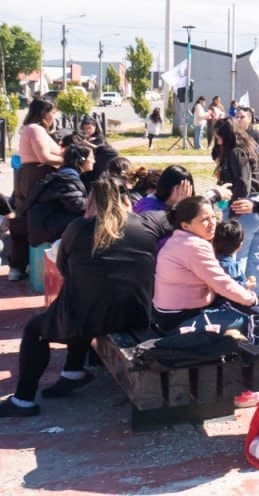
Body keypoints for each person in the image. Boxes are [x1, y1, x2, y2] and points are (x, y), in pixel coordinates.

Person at [0, 180, 167, 417]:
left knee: (37, 328)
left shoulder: (77, 228)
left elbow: (63, 267)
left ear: (90, 202)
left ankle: (23, 400)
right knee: (87, 301)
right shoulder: (147, 224)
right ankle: (72, 373)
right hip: (136, 315)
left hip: (91, 317)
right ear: (127, 201)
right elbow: (172, 215)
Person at [153, 196, 259, 355]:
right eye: (204, 220)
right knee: (255, 314)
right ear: (186, 225)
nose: (212, 223)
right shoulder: (195, 245)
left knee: (239, 304)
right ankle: (255, 364)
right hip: (180, 322)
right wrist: (256, 300)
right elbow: (222, 284)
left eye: (213, 217)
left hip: (167, 317)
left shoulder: (178, 239)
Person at [212, 118, 259, 318]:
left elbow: (242, 182)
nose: (216, 139)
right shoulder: (249, 149)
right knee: (255, 260)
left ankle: (242, 306)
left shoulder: (236, 152)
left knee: (238, 257)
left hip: (244, 205)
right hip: (257, 207)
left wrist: (235, 208)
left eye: (217, 135)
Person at [9, 98, 64, 282]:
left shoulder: (33, 129)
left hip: (30, 177)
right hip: (36, 179)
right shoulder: (35, 129)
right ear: (44, 113)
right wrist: (67, 160)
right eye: (53, 112)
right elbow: (44, 156)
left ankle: (19, 265)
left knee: (24, 218)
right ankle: (19, 265)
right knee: (29, 218)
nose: (54, 116)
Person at [26, 140, 93, 247]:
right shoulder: (67, 179)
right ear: (81, 160)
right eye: (91, 158)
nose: (93, 161)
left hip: (46, 226)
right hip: (48, 230)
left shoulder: (65, 174)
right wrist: (97, 202)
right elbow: (77, 205)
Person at [213, 219, 246, 284]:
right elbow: (234, 287)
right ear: (240, 245)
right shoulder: (232, 267)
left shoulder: (208, 258)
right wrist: (248, 284)